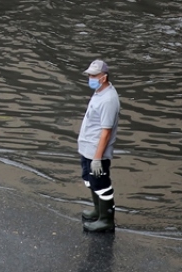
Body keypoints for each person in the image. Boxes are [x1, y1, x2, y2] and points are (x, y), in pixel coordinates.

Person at [77, 59, 121, 233]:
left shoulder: (109, 99)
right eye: (89, 75)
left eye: (94, 75)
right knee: (90, 181)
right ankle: (98, 210)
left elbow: (106, 132)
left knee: (102, 185)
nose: (90, 78)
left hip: (97, 152)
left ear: (104, 77)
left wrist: (97, 157)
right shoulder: (99, 92)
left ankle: (106, 219)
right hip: (87, 149)